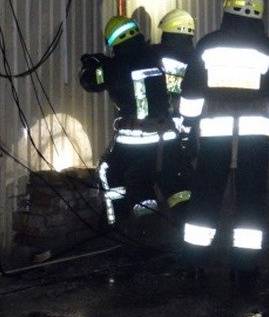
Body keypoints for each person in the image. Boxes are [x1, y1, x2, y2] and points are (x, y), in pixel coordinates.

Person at [178, 0, 269, 284]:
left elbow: (190, 94)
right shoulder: (268, 48)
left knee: (205, 196)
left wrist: (187, 132)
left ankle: (193, 264)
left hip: (213, 134)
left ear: (226, 9)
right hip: (255, 136)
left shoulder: (208, 45)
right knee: (251, 199)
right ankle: (244, 268)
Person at [79, 15, 191, 230]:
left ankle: (117, 225)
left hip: (135, 139)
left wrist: (91, 64)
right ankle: (185, 225)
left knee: (108, 172)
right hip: (168, 136)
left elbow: (89, 82)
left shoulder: (114, 66)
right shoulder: (160, 56)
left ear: (113, 41)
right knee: (174, 184)